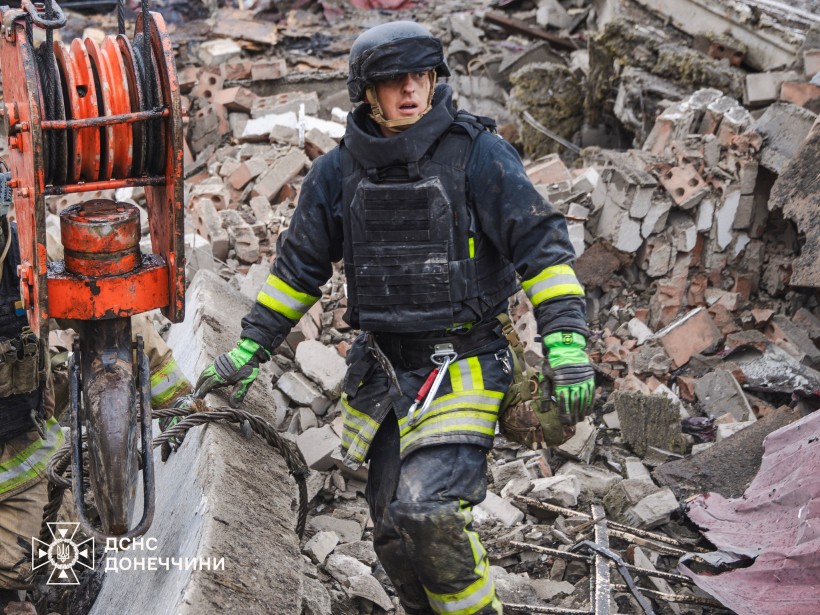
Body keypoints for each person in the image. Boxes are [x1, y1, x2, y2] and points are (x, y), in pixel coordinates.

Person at [196, 20, 595, 615]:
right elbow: (298, 272)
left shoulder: (479, 155)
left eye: (421, 76)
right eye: (393, 81)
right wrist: (248, 350)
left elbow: (542, 247)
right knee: (391, 532)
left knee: (427, 511)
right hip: (383, 375)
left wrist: (566, 344)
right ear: (367, 91)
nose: (411, 91)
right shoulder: (336, 173)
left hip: (465, 362)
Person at [0, 209, 192, 610]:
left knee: (64, 556)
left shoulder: (20, 253)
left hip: (36, 467)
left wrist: (177, 402)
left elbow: (104, 308)